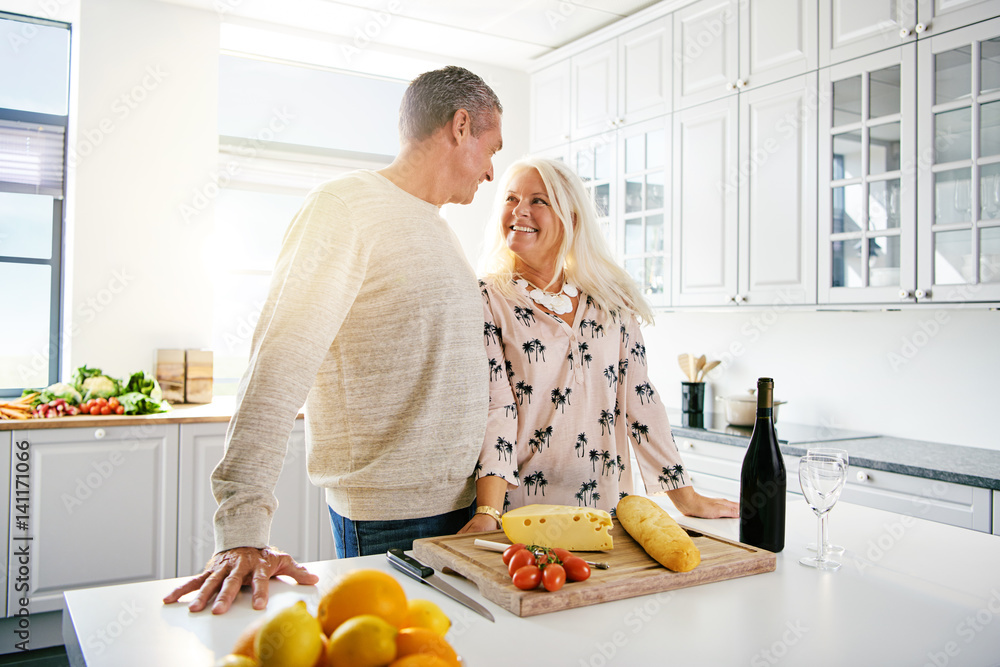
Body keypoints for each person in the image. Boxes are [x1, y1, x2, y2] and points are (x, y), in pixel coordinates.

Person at [164, 66, 503, 614]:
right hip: (391, 519)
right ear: (461, 126)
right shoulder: (344, 208)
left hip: (463, 511)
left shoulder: (437, 228)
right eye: (493, 149)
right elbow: (279, 361)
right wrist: (242, 527)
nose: (492, 173)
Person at [459, 157, 738, 533]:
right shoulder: (487, 299)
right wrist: (487, 513)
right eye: (511, 198)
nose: (519, 210)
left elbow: (640, 399)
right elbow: (498, 408)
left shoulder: (611, 301)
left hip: (606, 516)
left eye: (538, 201)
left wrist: (686, 498)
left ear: (571, 219)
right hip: (521, 515)